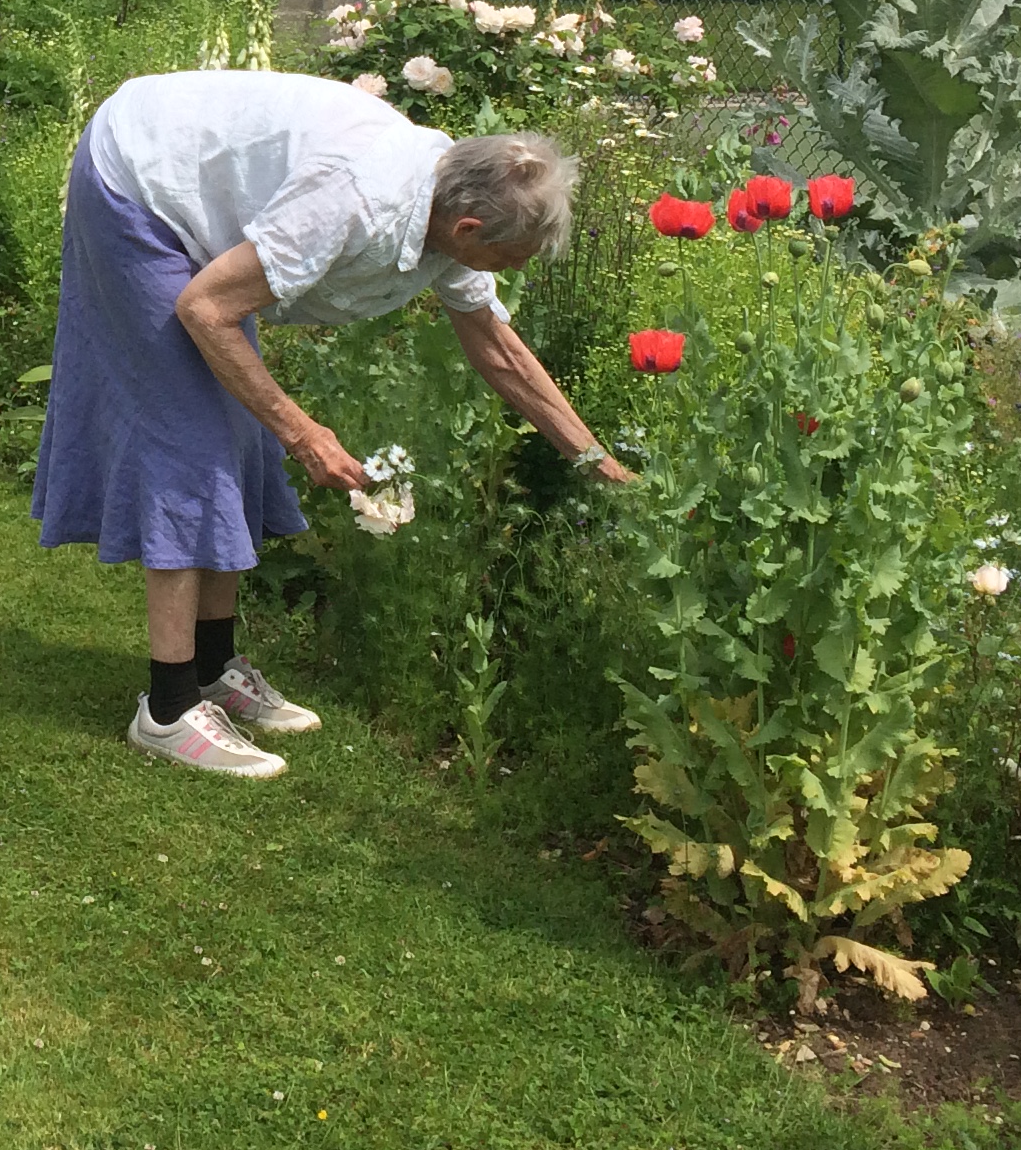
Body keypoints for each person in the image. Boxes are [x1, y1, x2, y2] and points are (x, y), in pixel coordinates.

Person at [31, 67, 632, 779]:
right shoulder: (361, 199)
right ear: (468, 228)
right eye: (509, 259)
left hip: (190, 184)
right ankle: (166, 709)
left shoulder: (444, 205)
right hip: (139, 176)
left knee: (234, 430)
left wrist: (594, 458)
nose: (512, 271)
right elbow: (205, 310)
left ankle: (215, 669)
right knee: (187, 442)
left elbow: (497, 347)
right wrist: (302, 430)